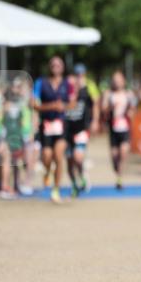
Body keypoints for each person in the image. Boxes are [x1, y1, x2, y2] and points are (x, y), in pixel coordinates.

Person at [34, 55, 72, 204]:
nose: (56, 67)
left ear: (62, 67)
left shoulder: (67, 84)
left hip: (62, 125)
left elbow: (73, 102)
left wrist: (65, 106)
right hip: (46, 126)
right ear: (49, 67)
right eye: (53, 65)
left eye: (58, 64)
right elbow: (34, 104)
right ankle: (47, 171)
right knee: (47, 156)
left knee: (58, 155)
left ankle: (56, 189)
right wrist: (51, 106)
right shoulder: (40, 83)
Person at [64, 65, 97, 197]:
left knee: (78, 157)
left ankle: (82, 173)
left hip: (81, 129)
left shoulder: (86, 90)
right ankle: (74, 184)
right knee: (69, 159)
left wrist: (95, 120)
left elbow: (95, 103)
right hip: (67, 131)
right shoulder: (64, 94)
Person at [103, 70, 135, 190]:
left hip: (125, 128)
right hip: (113, 129)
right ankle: (117, 172)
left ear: (123, 81)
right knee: (115, 156)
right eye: (115, 80)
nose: (117, 82)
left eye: (119, 80)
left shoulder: (128, 94)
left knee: (123, 152)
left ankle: (120, 179)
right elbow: (104, 110)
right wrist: (110, 108)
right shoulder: (109, 94)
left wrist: (130, 112)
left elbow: (133, 109)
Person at [4, 77, 34, 196]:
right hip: (15, 135)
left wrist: (32, 130)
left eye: (20, 87)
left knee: (27, 161)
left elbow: (33, 114)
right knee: (15, 161)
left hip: (26, 133)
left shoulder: (28, 100)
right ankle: (15, 184)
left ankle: (26, 183)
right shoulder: (10, 101)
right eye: (16, 87)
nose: (17, 89)